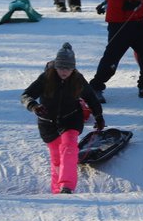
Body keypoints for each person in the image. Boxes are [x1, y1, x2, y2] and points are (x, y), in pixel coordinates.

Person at [20, 43, 105, 194]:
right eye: (61, 68)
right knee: (57, 158)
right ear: (55, 67)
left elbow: (91, 98)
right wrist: (34, 106)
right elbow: (26, 95)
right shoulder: (46, 78)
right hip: (47, 122)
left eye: (68, 68)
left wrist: (98, 116)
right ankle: (57, 191)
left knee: (69, 148)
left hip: (71, 119)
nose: (64, 72)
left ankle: (67, 187)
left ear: (73, 68)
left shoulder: (77, 79)